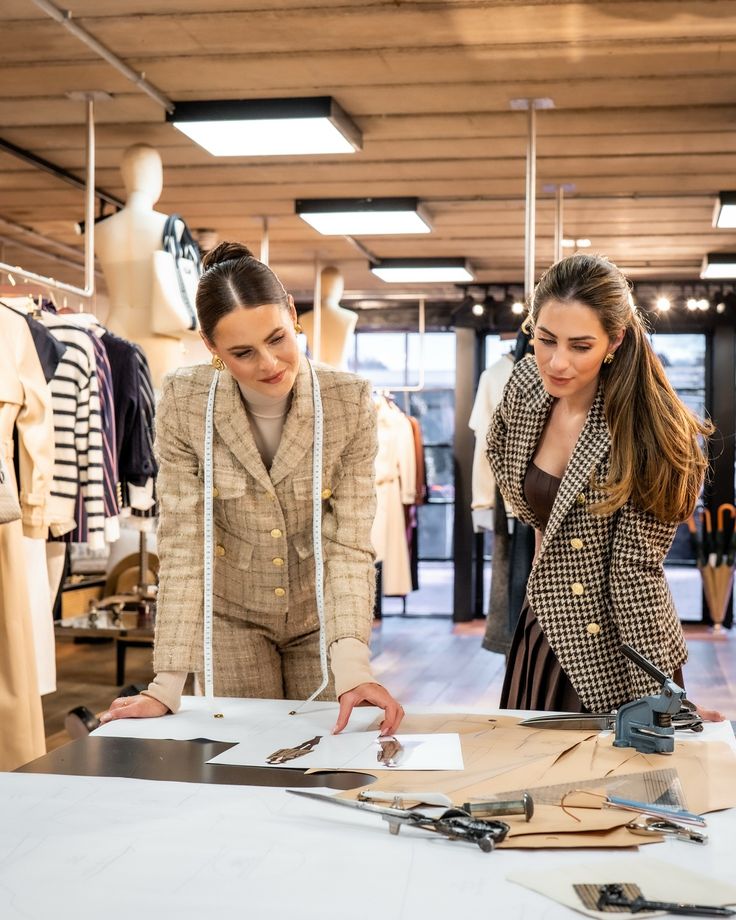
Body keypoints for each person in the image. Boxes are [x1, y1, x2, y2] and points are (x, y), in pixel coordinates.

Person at [100, 242, 403, 734]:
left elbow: (347, 544)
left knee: (331, 755)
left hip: (320, 616)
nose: (269, 363)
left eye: (278, 338)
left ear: (292, 313)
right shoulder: (185, 399)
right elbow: (183, 541)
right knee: (244, 761)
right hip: (231, 616)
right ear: (211, 347)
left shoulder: (348, 401)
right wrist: (166, 684)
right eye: (242, 352)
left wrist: (353, 668)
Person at [488, 253, 722, 718]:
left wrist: (660, 699)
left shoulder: (649, 432)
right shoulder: (525, 386)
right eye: (545, 339)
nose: (557, 362)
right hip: (541, 626)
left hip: (610, 652)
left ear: (614, 340)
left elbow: (636, 578)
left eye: (580, 346)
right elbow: (540, 515)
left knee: (617, 784)